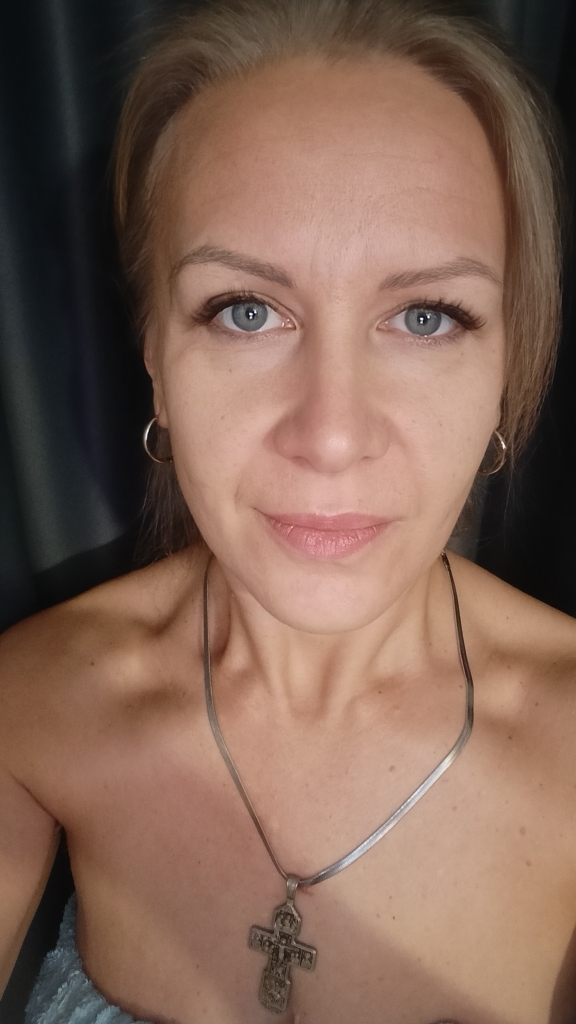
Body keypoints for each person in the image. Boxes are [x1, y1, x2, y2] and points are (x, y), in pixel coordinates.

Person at [1, 0, 574, 1021]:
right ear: (155, 354)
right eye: (246, 311)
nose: (331, 434)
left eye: (427, 316)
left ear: (507, 368)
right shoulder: (36, 704)